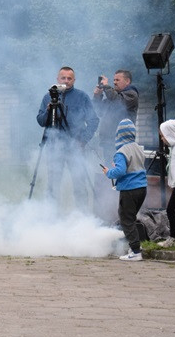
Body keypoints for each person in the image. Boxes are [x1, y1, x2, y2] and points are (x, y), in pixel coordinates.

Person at [36, 66, 100, 203]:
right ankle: (51, 212)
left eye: (69, 78)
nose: (66, 81)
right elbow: (41, 121)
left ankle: (82, 213)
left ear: (74, 80)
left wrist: (83, 140)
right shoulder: (48, 97)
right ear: (57, 79)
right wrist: (48, 111)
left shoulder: (82, 97)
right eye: (63, 78)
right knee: (53, 185)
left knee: (79, 183)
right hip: (54, 147)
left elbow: (94, 120)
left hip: (75, 146)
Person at [102, 119, 147, 262]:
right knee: (131, 218)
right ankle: (134, 246)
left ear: (119, 135)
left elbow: (120, 171)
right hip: (142, 188)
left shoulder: (120, 152)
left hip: (129, 189)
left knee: (126, 220)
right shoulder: (139, 148)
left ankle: (135, 251)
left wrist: (109, 172)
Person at [93, 69, 139, 158]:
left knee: (119, 166)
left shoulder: (132, 94)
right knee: (109, 166)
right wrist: (97, 96)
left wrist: (106, 86)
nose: (114, 82)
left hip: (123, 142)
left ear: (127, 81)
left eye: (117, 80)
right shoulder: (113, 97)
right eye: (114, 80)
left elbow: (118, 102)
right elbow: (98, 111)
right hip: (108, 141)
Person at [156, 119, 175, 248]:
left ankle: (174, 236)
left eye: (163, 136)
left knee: (171, 210)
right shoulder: (174, 148)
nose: (162, 139)